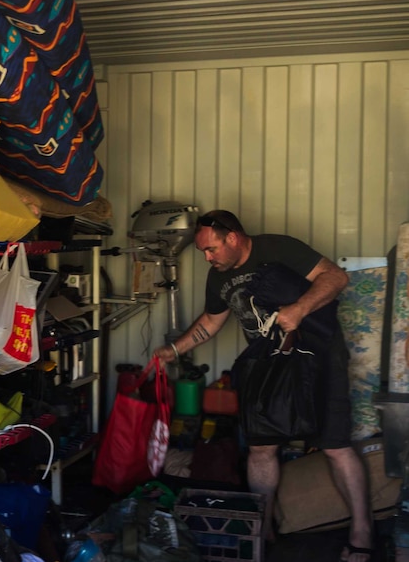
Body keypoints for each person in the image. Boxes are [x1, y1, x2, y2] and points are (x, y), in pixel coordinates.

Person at [153, 209, 373, 562]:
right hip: (268, 363)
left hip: (318, 358)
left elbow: (335, 278)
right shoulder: (218, 276)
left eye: (211, 249)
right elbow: (211, 321)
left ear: (233, 238)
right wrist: (175, 348)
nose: (207, 258)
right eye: (203, 253)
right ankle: (263, 525)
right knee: (261, 447)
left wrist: (299, 310)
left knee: (335, 444)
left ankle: (362, 532)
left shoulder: (279, 248)